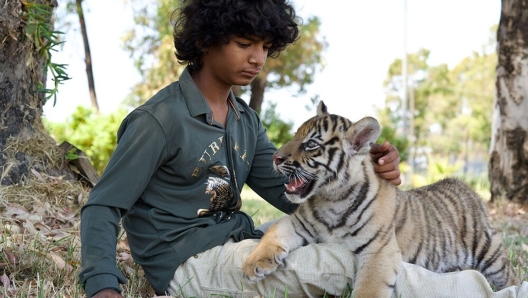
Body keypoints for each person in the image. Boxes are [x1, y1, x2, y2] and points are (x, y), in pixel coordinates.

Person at [79, 1, 527, 297]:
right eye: (244, 44)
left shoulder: (244, 120)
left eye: (265, 47)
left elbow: (288, 187)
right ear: (204, 40)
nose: (258, 58)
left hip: (241, 243)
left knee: (363, 254)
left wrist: (361, 170)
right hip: (185, 266)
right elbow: (102, 207)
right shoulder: (160, 121)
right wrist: (104, 287)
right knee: (346, 265)